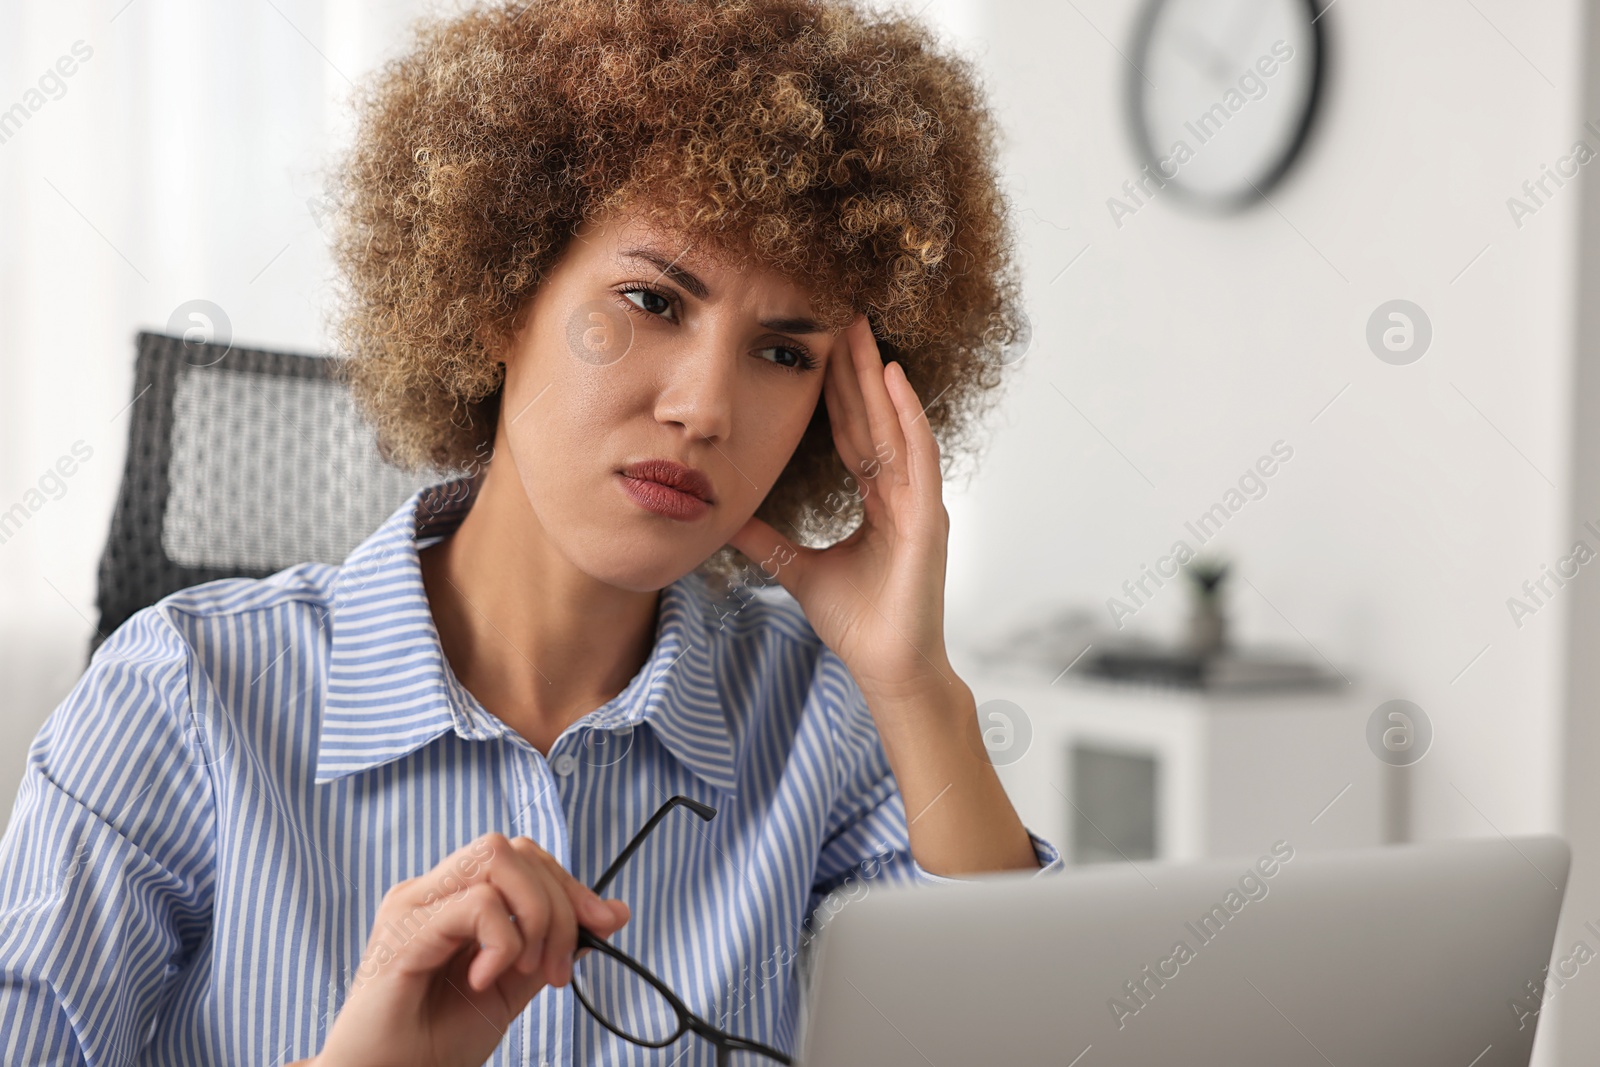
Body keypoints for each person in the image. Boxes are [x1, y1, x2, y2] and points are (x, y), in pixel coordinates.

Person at [0, 0, 1062, 1063]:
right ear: (499, 295)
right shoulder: (183, 695)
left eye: (783, 353)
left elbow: (1026, 1037)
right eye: (650, 299)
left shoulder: (818, 721)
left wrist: (914, 682)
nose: (705, 408)